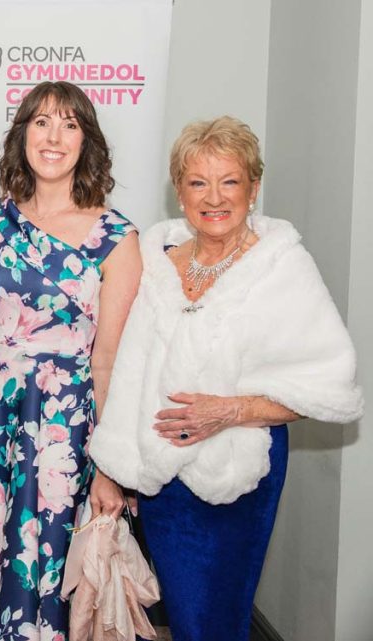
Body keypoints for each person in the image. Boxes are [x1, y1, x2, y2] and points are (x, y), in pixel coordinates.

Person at [88, 116, 363, 641]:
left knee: (215, 620)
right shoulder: (160, 261)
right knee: (187, 616)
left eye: (229, 181)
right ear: (180, 192)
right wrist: (114, 466)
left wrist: (229, 410)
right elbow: (131, 369)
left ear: (253, 187)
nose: (214, 197)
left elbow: (328, 383)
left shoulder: (282, 266)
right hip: (161, 478)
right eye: (198, 182)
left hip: (239, 474)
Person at [0, 81, 141, 640]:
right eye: (41, 122)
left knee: (42, 562)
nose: (53, 136)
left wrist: (108, 466)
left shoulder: (116, 237)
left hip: (62, 433)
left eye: (69, 124)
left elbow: (110, 360)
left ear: (86, 141)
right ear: (22, 135)